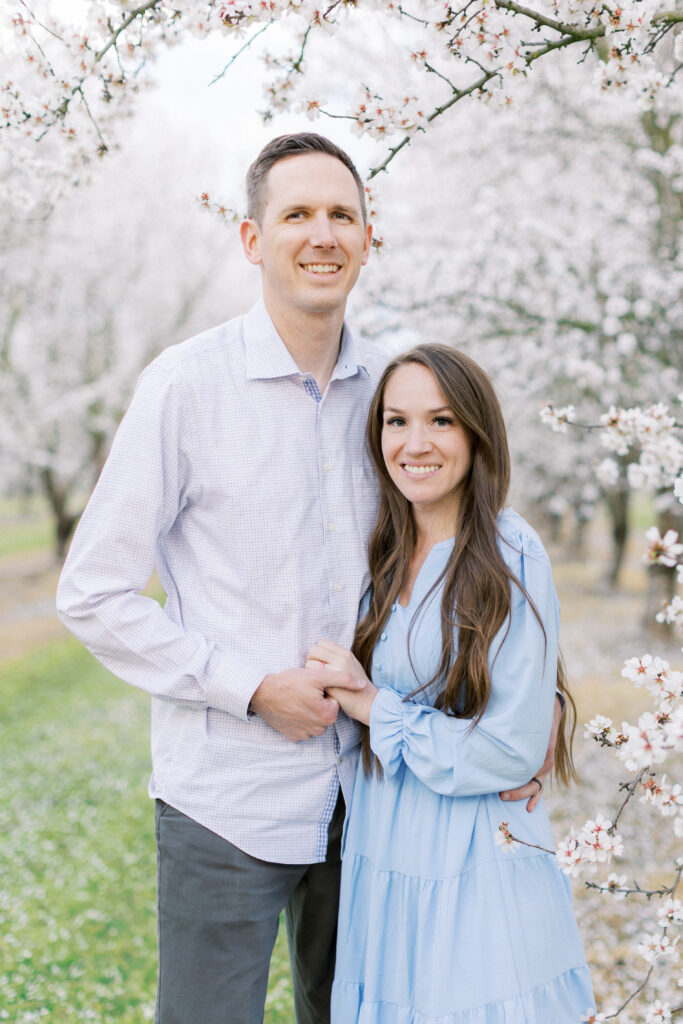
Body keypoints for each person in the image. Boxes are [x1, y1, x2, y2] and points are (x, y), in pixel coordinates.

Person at [57, 133, 560, 1024]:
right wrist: (250, 688)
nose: (321, 235)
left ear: (369, 237)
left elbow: (464, 559)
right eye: (296, 214)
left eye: (341, 215)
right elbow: (91, 592)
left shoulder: (396, 401)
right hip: (228, 804)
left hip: (377, 806)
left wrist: (523, 720)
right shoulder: (185, 388)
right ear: (253, 239)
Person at [306, 345, 594, 1023]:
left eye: (440, 421)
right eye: (395, 422)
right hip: (382, 853)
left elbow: (507, 753)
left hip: (473, 860)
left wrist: (377, 707)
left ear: (475, 432)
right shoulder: (375, 549)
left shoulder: (508, 551)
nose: (415, 444)